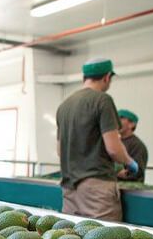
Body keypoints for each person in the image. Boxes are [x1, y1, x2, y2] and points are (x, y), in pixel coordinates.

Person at [56, 58, 138, 221]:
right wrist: (129, 162)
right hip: (96, 190)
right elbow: (114, 148)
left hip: (69, 188)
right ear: (107, 77)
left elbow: (60, 150)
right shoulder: (102, 100)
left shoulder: (65, 105)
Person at [117, 109, 148, 182]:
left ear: (132, 124)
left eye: (121, 118)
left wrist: (118, 173)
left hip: (129, 190)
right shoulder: (115, 143)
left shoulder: (137, 145)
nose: (116, 121)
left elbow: (137, 172)